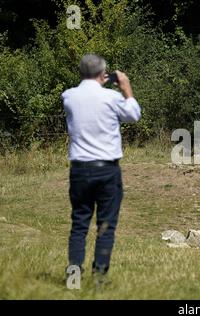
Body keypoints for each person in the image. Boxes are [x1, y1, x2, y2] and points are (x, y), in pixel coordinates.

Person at [61, 53, 141, 283]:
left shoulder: (69, 97)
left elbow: (84, 96)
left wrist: (97, 81)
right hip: (107, 170)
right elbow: (134, 115)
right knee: (105, 225)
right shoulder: (112, 98)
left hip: (79, 169)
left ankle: (73, 277)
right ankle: (99, 277)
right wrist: (126, 88)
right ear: (103, 73)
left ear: (80, 72)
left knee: (79, 223)